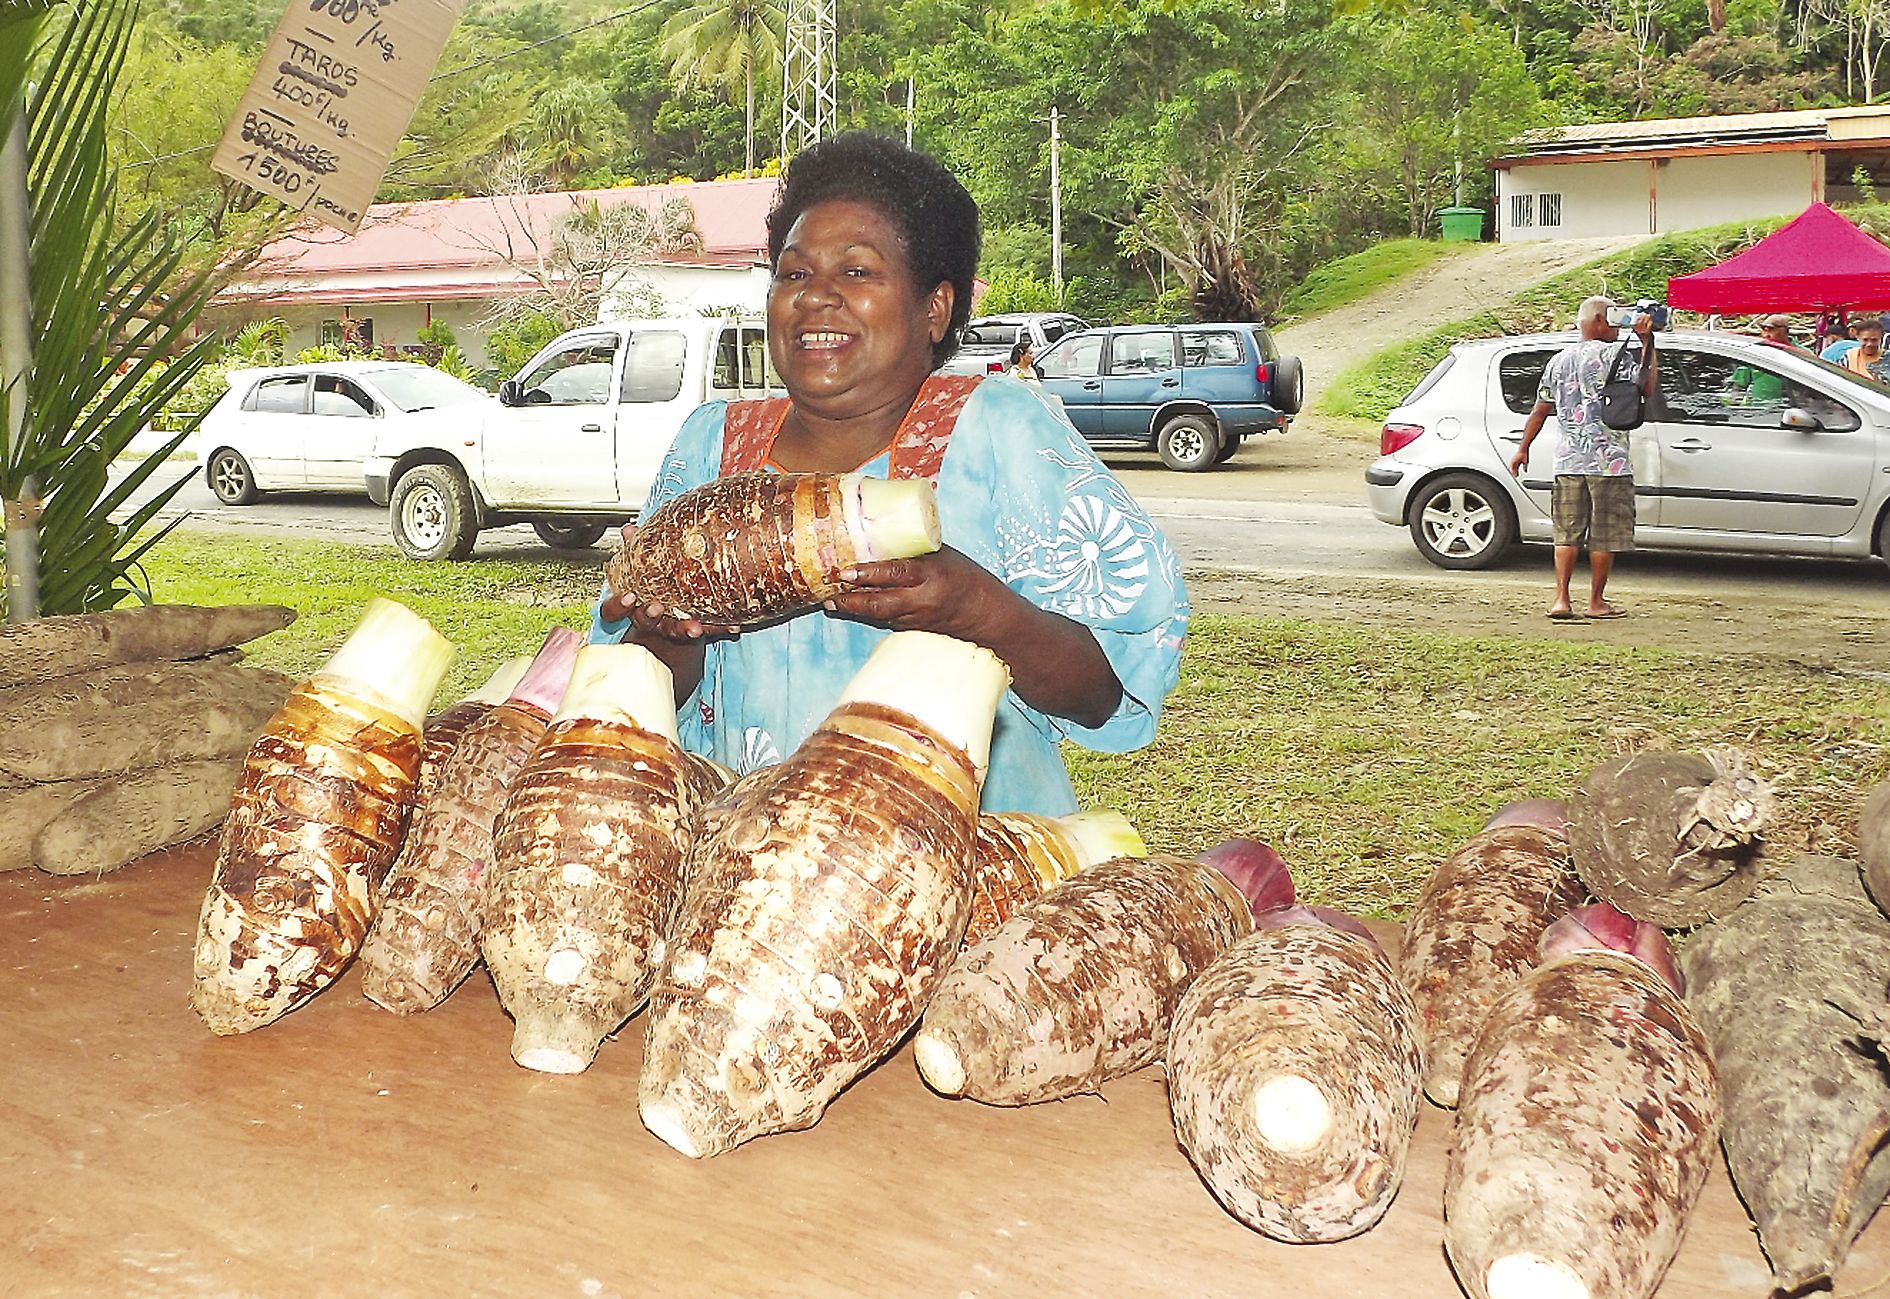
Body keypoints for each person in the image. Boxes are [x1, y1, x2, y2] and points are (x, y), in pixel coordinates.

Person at [591, 132, 1187, 816]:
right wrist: (668, 629)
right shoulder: (711, 444)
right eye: (793, 274)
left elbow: (1104, 692)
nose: (816, 297)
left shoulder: (998, 428)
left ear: (935, 308)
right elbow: (645, 694)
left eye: (856, 272)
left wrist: (975, 608)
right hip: (745, 855)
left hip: (962, 858)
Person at [1507, 295, 1657, 622]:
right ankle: (1595, 602)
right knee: (1604, 534)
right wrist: (1647, 342)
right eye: (1613, 317)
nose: (1618, 325)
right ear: (1599, 321)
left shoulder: (1559, 360)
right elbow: (1645, 389)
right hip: (1610, 463)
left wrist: (1522, 448)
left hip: (1568, 461)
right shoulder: (1616, 354)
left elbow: (1540, 409)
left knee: (1566, 532)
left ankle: (1561, 599)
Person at [1845, 317, 1890, 384]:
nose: (1869, 344)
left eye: (1874, 340)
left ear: (1881, 338)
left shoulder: (1888, 358)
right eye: (1865, 340)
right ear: (1858, 337)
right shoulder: (1850, 356)